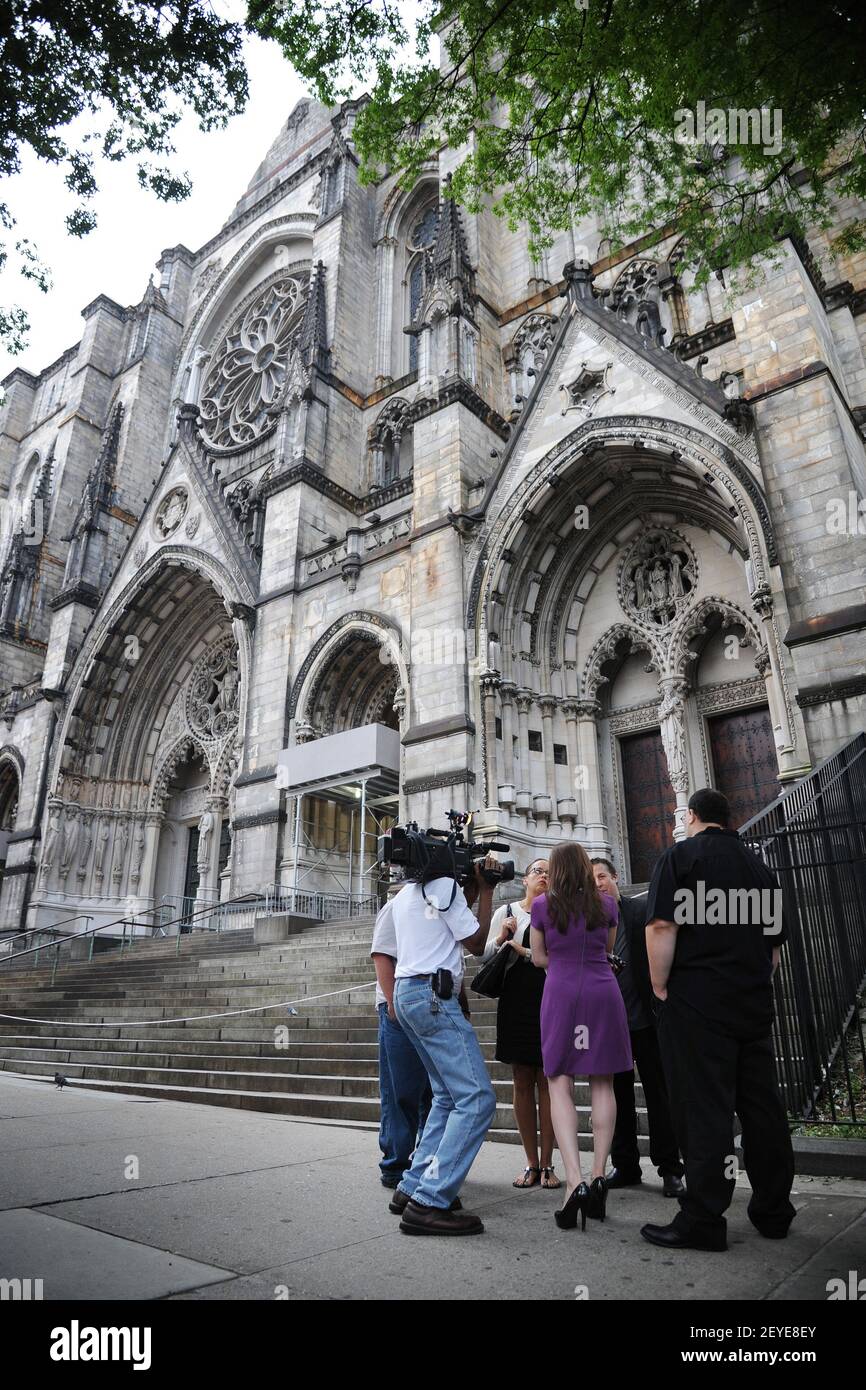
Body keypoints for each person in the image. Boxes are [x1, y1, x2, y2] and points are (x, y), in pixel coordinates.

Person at [642, 787, 796, 1252]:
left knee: (703, 1108)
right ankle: (773, 1211)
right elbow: (773, 947)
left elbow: (661, 926)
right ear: (727, 820)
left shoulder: (680, 859)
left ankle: (705, 1216)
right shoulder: (761, 870)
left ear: (691, 816)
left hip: (697, 1004)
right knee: (762, 1108)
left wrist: (660, 985)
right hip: (750, 1004)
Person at [389, 855, 499, 1236]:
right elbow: (479, 943)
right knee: (477, 1099)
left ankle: (413, 1184)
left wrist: (467, 889)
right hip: (433, 997)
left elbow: (441, 929)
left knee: (447, 1097)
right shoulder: (445, 888)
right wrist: (485, 891)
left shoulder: (405, 894)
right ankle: (431, 1200)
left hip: (408, 995)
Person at [530, 842, 632, 1230]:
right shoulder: (607, 905)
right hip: (602, 992)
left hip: (561, 993)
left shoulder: (541, 907)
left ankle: (573, 1182)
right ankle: (599, 1173)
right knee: (603, 1082)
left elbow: (539, 958)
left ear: (555, 870)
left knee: (560, 1083)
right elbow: (607, 949)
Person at [591, 858, 684, 1198]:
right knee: (617, 1097)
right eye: (592, 880)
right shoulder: (589, 922)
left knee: (660, 1095)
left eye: (602, 876)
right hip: (609, 1024)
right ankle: (626, 1165)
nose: (598, 883)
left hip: (646, 1019)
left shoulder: (640, 909)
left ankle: (670, 1168)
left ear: (615, 877)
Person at [480, 858, 560, 1190]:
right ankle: (530, 1162)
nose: (543, 875)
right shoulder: (508, 911)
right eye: (537, 871)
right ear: (525, 879)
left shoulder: (558, 912)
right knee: (522, 1079)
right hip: (516, 1000)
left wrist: (524, 949)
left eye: (548, 872)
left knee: (549, 1080)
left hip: (551, 997)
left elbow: (564, 957)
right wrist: (501, 937)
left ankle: (548, 1164)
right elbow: (484, 954)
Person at [370, 881, 432, 1189]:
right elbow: (382, 955)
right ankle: (396, 1164)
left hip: (429, 1008)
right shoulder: (394, 906)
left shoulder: (434, 905)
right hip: (398, 1009)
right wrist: (393, 1006)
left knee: (431, 1093)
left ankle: (424, 1158)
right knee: (400, 1091)